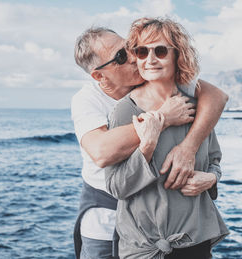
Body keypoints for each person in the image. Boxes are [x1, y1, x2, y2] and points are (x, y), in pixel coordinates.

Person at [72, 27, 228, 258]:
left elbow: (216, 96)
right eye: (121, 57)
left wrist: (189, 148)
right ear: (99, 75)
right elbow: (101, 151)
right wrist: (163, 117)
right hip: (105, 212)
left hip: (156, 217)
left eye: (131, 47)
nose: (136, 57)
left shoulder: (156, 80)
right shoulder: (88, 100)